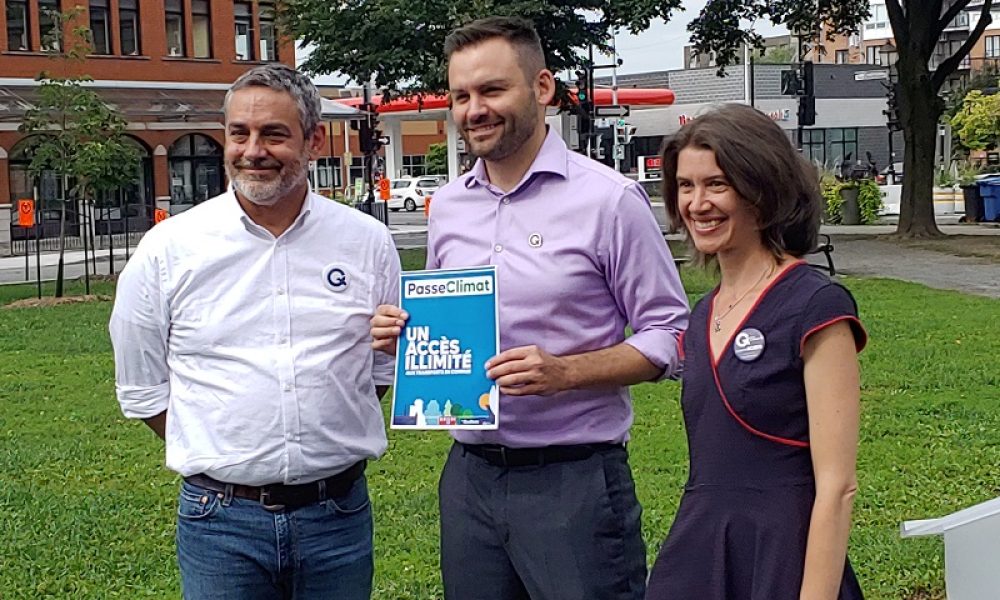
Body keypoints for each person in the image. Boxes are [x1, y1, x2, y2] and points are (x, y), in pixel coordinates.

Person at [370, 16, 689, 600]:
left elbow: (671, 333)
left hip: (575, 482)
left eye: (492, 90)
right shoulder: (449, 207)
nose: (474, 110)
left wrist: (568, 371)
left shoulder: (609, 201)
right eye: (461, 96)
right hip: (470, 481)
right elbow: (451, 323)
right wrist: (408, 335)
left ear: (542, 87)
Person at [109, 64, 400, 600]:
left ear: (313, 141)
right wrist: (229, 451)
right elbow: (143, 388)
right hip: (220, 523)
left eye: (273, 134)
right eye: (239, 133)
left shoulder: (367, 243)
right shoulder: (169, 249)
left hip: (337, 517)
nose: (252, 150)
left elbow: (380, 369)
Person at [644, 103, 866, 600]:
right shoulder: (702, 314)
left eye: (717, 184)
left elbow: (837, 487)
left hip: (785, 557)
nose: (698, 203)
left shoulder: (816, 305)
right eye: (685, 186)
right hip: (700, 554)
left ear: (761, 190)